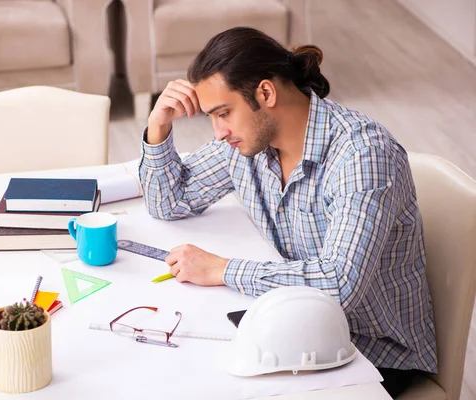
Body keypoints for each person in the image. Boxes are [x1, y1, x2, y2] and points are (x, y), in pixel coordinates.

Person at [138, 27, 437, 397]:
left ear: (265, 93)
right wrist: (159, 125)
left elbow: (339, 285)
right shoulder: (249, 145)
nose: (218, 132)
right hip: (296, 327)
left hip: (371, 353)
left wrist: (221, 269)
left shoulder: (361, 155)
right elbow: (169, 201)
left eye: (224, 113)